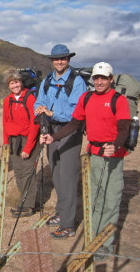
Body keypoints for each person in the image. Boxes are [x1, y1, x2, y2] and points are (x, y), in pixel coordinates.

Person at [41, 62, 130, 260]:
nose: (99, 81)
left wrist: (115, 145)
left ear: (111, 79)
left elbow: (123, 127)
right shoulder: (87, 97)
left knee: (110, 201)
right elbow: (74, 123)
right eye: (96, 78)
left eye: (103, 78)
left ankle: (104, 245)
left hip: (113, 157)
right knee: (95, 199)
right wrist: (53, 138)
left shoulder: (118, 100)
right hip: (93, 156)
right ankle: (94, 238)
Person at [34, 44, 87, 239]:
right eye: (56, 59)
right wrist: (39, 109)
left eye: (63, 58)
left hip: (69, 132)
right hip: (51, 131)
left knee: (68, 177)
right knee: (56, 173)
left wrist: (52, 112)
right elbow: (39, 101)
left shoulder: (77, 81)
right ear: (52, 61)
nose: (59, 61)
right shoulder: (47, 80)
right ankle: (61, 211)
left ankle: (68, 225)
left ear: (68, 60)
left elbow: (77, 112)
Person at [3, 69, 40, 217]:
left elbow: (35, 124)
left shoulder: (30, 99)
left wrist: (28, 147)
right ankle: (24, 202)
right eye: (12, 83)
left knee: (27, 172)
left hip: (28, 139)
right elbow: (5, 122)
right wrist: (6, 142)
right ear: (9, 86)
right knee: (18, 172)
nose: (15, 85)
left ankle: (28, 206)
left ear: (21, 82)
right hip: (13, 140)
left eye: (17, 82)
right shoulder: (7, 101)